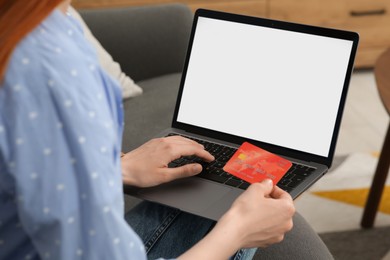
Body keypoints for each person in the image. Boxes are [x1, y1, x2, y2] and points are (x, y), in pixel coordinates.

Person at [0, 0, 333, 259]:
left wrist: (117, 169)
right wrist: (237, 232)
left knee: (223, 183)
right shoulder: (51, 70)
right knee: (245, 201)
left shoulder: (41, 30)